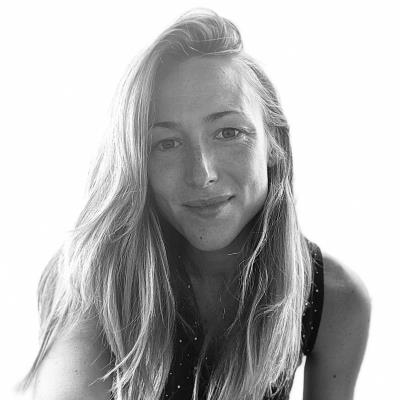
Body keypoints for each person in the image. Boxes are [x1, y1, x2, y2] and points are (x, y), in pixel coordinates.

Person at [20, 9, 371, 400]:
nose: (202, 174)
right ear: (138, 164)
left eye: (228, 132)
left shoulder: (333, 298)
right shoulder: (92, 278)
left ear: (274, 144)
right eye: (167, 143)